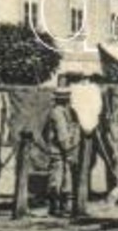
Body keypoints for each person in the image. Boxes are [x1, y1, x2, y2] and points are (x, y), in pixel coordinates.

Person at [41, 87, 82, 217]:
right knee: (57, 181)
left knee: (64, 180)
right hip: (59, 152)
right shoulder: (58, 114)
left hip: (61, 151)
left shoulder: (61, 112)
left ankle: (61, 207)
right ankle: (55, 208)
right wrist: (69, 149)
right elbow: (62, 135)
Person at [70, 77, 105, 208]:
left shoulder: (93, 91)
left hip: (89, 130)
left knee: (89, 162)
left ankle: (84, 190)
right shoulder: (82, 91)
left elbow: (96, 108)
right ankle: (79, 193)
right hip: (81, 131)